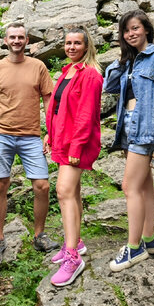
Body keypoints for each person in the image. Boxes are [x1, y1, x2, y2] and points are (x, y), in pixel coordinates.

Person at [103, 10, 154, 271]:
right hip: (127, 126)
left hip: (145, 127)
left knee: (130, 187)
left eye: (136, 28)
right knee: (145, 184)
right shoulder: (128, 62)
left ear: (147, 29)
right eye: (126, 30)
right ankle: (149, 238)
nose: (131, 33)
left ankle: (134, 247)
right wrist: (122, 60)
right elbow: (110, 86)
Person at [0, 22, 57, 267]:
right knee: (1, 185)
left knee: (42, 186)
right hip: (2, 133)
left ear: (27, 41)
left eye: (20, 37)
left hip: (31, 135)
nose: (16, 41)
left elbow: (48, 101)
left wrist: (51, 130)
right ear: (5, 41)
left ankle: (39, 235)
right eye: (12, 37)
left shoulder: (38, 67)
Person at [43, 26, 103, 287]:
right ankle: (75, 241)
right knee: (74, 192)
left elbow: (86, 115)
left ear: (87, 45)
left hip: (77, 143)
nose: (71, 47)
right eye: (68, 43)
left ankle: (73, 257)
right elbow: (59, 107)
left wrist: (76, 149)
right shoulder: (69, 70)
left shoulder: (90, 75)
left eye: (77, 43)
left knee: (63, 191)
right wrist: (51, 134)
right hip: (64, 139)